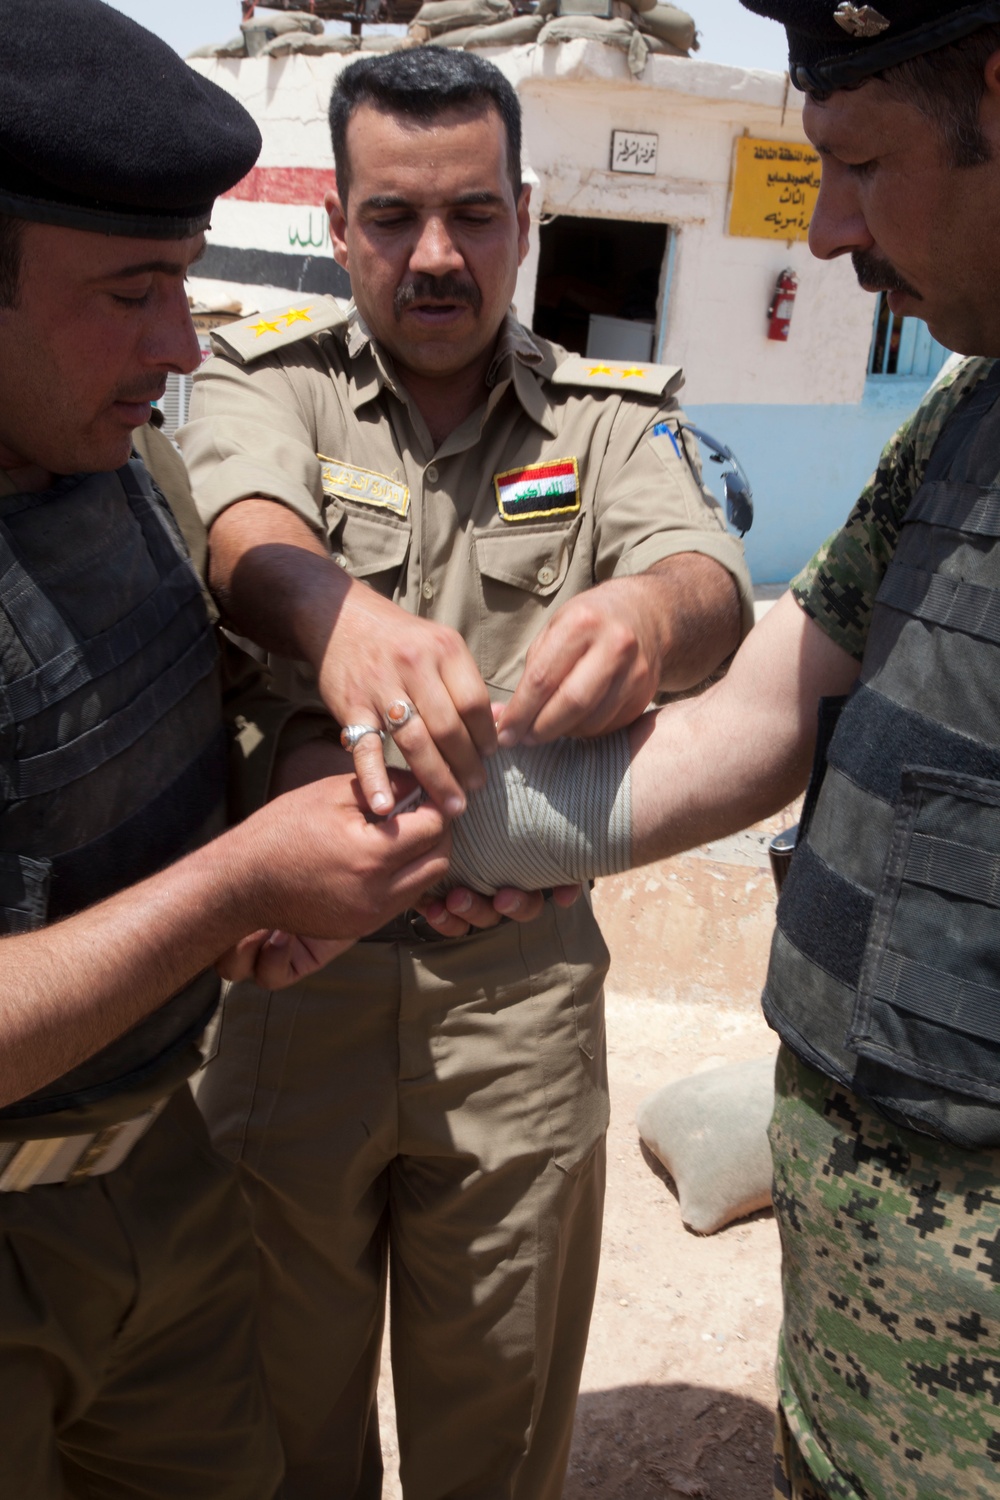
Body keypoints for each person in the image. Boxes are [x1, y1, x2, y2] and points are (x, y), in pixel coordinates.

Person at [426, 4, 1000, 1496]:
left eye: (863, 167)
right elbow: (766, 710)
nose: (827, 241)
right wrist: (470, 830)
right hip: (861, 1363)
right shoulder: (967, 417)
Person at [179, 46, 753, 1500]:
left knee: (493, 1443)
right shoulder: (270, 382)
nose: (437, 257)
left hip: (518, 1010)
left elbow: (709, 579)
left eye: (475, 216)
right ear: (339, 226)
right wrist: (336, 616)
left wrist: (645, 614)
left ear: (525, 218)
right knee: (274, 1428)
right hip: (284, 997)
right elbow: (239, 525)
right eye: (392, 218)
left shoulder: (605, 418)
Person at [0, 4, 451, 1496]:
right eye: (131, 293)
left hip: (160, 1175)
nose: (178, 345)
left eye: (183, 285)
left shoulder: (106, 454)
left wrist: (292, 808)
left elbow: (156, 727)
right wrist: (239, 881)